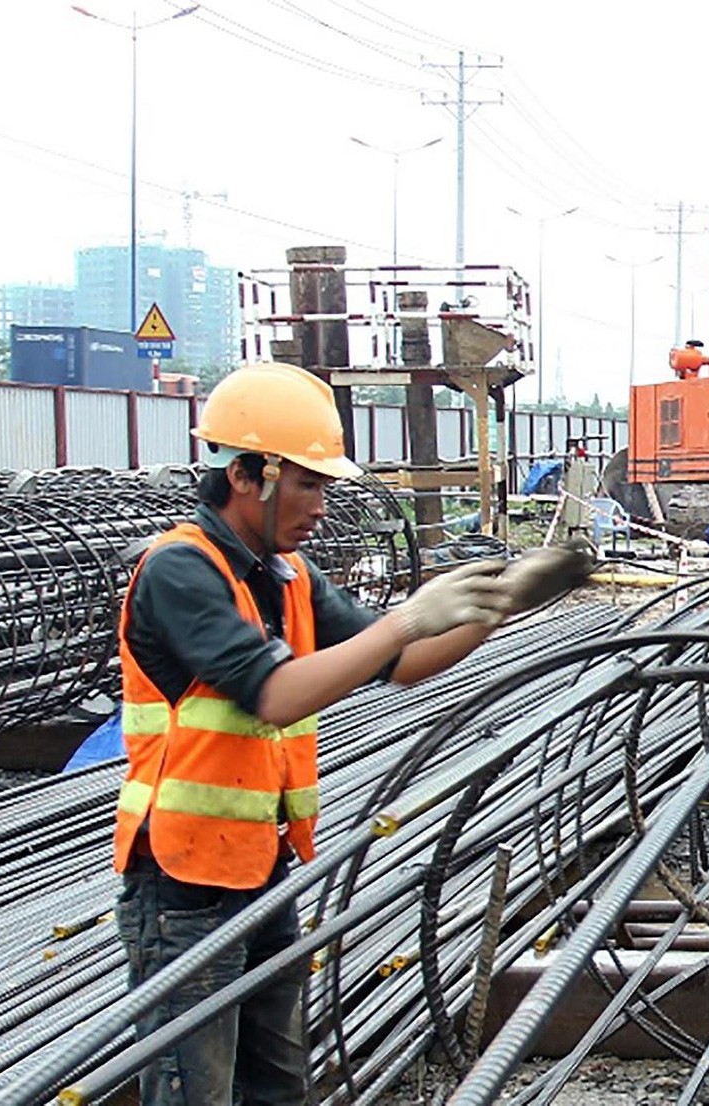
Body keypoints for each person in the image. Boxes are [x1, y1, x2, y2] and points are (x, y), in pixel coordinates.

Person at [112, 362, 591, 1105]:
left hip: (259, 868)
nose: (321, 504)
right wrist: (408, 616)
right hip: (181, 884)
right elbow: (274, 694)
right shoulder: (181, 571)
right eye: (309, 483)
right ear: (249, 474)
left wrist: (496, 609)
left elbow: (398, 662)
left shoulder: (287, 575)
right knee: (189, 1093)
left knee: (277, 1087)